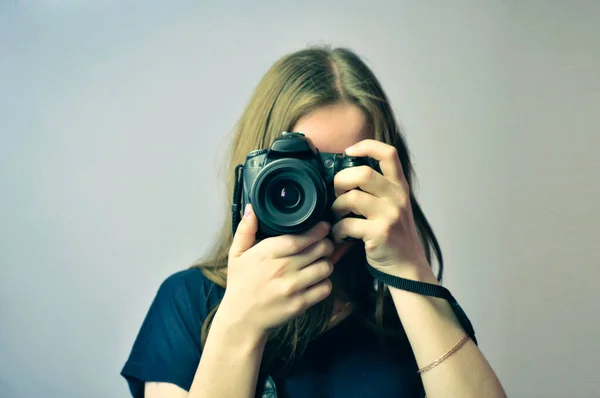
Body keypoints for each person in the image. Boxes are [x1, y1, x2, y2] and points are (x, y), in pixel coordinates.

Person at [121, 45, 506, 398]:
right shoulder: (190, 303)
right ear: (253, 175)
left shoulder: (403, 316)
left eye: (335, 170)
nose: (313, 192)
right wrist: (239, 325)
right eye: (298, 167)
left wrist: (409, 269)